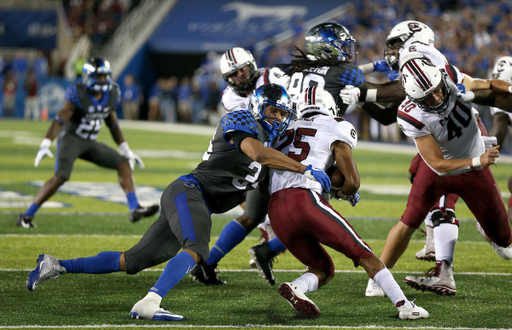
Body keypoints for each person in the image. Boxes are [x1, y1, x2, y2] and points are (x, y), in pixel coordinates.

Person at [26, 83, 331, 322]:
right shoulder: (241, 120)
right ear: (257, 108)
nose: (276, 119)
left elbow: (254, 195)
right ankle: (151, 302)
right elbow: (256, 153)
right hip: (189, 191)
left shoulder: (270, 153)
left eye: (281, 114)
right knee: (197, 249)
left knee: (132, 261)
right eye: (271, 111)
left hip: (194, 200)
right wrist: (305, 168)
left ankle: (56, 265)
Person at [268, 86, 428, 319]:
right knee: (364, 254)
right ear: (329, 106)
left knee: (323, 268)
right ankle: (405, 305)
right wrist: (343, 192)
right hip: (304, 200)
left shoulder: (284, 128)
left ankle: (297, 287)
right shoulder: (336, 124)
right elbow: (352, 182)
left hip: (276, 209)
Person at [379, 57, 512, 299]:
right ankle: (378, 279)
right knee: (409, 220)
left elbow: (490, 85)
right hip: (441, 169)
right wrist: (478, 161)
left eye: (437, 91)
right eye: (427, 97)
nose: (437, 98)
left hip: (474, 166)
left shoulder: (448, 75)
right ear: (414, 98)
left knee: (504, 240)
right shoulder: (410, 114)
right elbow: (438, 165)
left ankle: (478, 236)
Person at [189, 47, 291, 286]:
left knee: (253, 215)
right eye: (234, 75)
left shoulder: (274, 76)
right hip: (265, 155)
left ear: (252, 66)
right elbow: (254, 131)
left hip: (280, 147)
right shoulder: (230, 98)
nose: (241, 77)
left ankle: (207, 264)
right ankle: (269, 249)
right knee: (303, 210)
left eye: (243, 70)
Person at [16, 58, 159, 228]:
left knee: (123, 163)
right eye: (98, 76)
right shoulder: (78, 93)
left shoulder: (112, 93)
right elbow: (60, 118)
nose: (103, 80)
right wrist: (46, 143)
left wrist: (126, 149)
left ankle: (134, 208)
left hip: (90, 142)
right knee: (61, 177)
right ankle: (26, 215)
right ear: (88, 77)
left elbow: (112, 124)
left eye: (105, 76)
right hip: (72, 140)